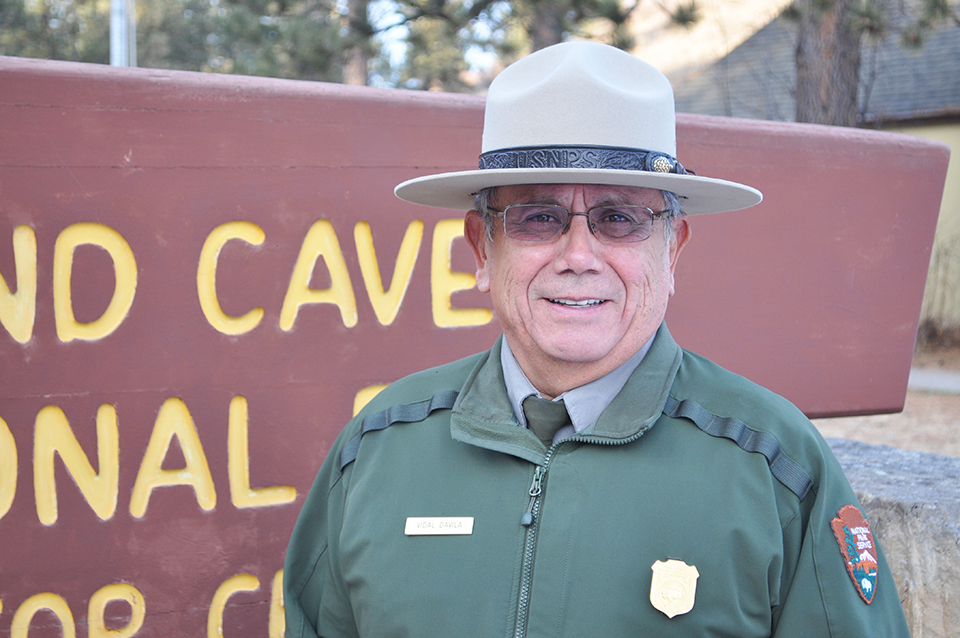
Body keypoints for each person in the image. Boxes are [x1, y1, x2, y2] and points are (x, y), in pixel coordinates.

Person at [284, 41, 910, 637]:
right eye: (538, 217)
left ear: (672, 253)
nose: (578, 255)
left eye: (619, 218)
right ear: (482, 248)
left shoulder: (773, 466)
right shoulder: (377, 451)